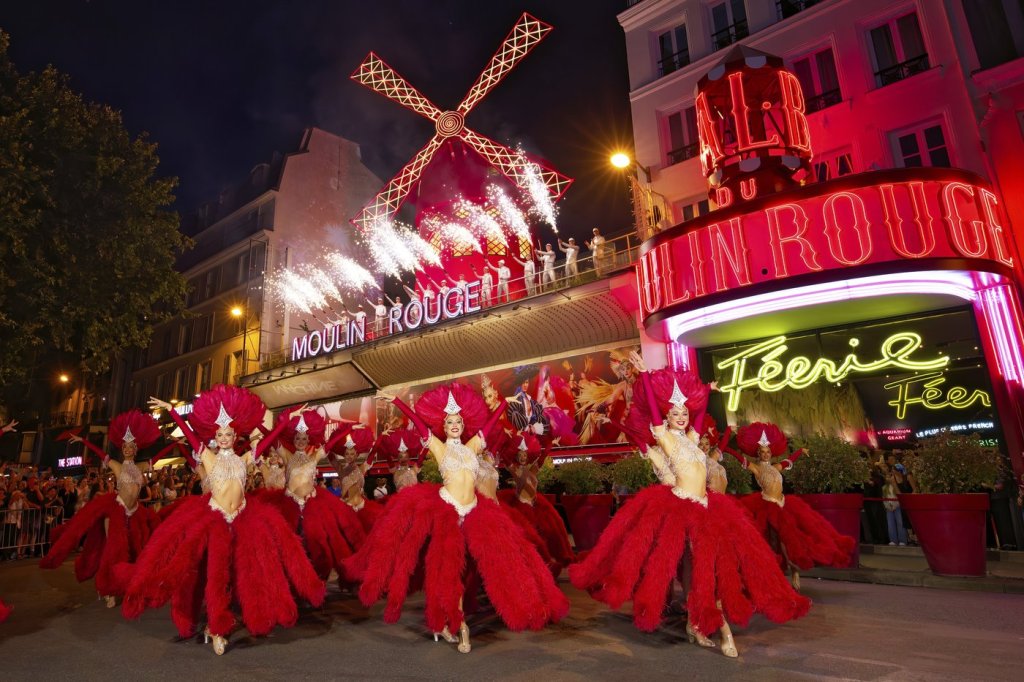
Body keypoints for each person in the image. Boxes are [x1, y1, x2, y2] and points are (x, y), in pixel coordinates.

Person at [570, 353, 810, 658]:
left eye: (685, 412)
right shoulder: (665, 440)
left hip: (708, 508)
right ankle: (721, 631)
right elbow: (652, 416)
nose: (682, 417)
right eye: (675, 413)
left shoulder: (693, 439)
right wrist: (645, 377)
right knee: (699, 569)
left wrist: (706, 392)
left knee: (707, 568)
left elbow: (697, 419)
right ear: (666, 418)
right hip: (680, 508)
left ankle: (696, 624)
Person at [344, 383, 568, 654]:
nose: (454, 425)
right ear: (444, 425)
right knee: (449, 571)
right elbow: (418, 423)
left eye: (458, 422)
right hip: (447, 512)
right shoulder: (439, 447)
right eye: (449, 422)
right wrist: (397, 402)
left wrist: (503, 405)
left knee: (508, 554)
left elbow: (488, 426)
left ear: (464, 425)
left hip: (475, 511)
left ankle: (524, 604)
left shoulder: (473, 446)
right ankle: (457, 625)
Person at [124, 386, 325, 655]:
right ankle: (216, 627)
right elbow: (188, 433)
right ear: (215, 437)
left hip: (243, 519)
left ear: (235, 436)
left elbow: (270, 439)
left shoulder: (245, 459)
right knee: (216, 574)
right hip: (216, 519)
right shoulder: (207, 456)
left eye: (228, 434)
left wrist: (286, 421)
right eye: (219, 435)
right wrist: (172, 411)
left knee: (251, 568)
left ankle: (256, 611)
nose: (224, 438)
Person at [41, 410, 165, 607]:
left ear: (136, 449)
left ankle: (132, 585)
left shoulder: (142, 467)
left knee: (135, 549)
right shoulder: (116, 466)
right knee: (113, 550)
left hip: (135, 512)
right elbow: (100, 454)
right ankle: (108, 589)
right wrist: (83, 441)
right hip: (117, 510)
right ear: (122, 448)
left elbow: (159, 456)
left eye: (131, 447)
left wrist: (177, 444)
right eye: (125, 446)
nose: (127, 449)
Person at [727, 423, 857, 590]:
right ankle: (778, 573)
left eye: (768, 452)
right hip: (768, 507)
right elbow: (741, 459)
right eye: (763, 452)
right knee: (775, 542)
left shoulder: (776, 467)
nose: (766, 454)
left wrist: (800, 451)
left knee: (792, 539)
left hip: (783, 506)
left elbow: (789, 461)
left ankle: (794, 569)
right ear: (758, 454)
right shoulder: (757, 469)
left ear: (771, 453)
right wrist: (725, 449)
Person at [257, 408, 368, 581]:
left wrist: (349, 429)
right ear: (293, 440)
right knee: (289, 545)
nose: (301, 441)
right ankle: (292, 579)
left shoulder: (314, 457)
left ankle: (316, 578)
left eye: (304, 438)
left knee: (315, 545)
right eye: (297, 438)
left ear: (309, 440)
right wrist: (261, 422)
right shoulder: (287, 456)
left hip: (311, 507)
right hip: (290, 507)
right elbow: (271, 437)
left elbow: (330, 445)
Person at [498, 434, 574, 573]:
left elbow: (542, 459)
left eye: (525, 455)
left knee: (550, 530)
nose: (523, 457)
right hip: (522, 508)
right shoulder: (515, 470)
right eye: (520, 455)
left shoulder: (532, 470)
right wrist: (504, 441)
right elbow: (506, 459)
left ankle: (552, 560)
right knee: (530, 537)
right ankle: (537, 564)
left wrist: (551, 444)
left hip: (535, 506)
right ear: (516, 457)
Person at [327, 427, 383, 533]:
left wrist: (381, 436)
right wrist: (321, 440)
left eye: (352, 454)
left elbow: (373, 452)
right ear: (344, 455)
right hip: (346, 508)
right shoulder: (341, 470)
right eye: (347, 454)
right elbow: (329, 454)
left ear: (356, 455)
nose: (349, 456)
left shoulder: (362, 468)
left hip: (362, 507)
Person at [880, 462, 908, 546]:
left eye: (890, 476)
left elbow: (898, 494)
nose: (888, 478)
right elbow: (884, 497)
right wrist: (887, 505)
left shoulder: (896, 483)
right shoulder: (884, 487)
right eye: (887, 477)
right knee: (890, 524)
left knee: (900, 522)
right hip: (889, 507)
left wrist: (895, 504)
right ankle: (893, 540)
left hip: (898, 505)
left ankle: (902, 540)